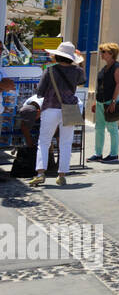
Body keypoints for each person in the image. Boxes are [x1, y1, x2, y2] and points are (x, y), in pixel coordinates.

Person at [29, 41, 85, 187]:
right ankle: (62, 175)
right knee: (66, 142)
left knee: (44, 142)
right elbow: (82, 80)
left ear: (57, 56)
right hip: (70, 108)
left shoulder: (50, 70)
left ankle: (40, 173)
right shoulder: (77, 71)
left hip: (51, 108)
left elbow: (40, 92)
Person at [90, 41, 119, 162]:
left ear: (111, 53)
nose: (101, 54)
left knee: (112, 127)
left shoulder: (117, 67)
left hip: (110, 101)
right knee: (99, 127)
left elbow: (118, 84)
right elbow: (101, 85)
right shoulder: (105, 68)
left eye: (103, 52)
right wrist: (96, 101)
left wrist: (114, 101)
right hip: (101, 101)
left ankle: (114, 154)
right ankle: (98, 153)